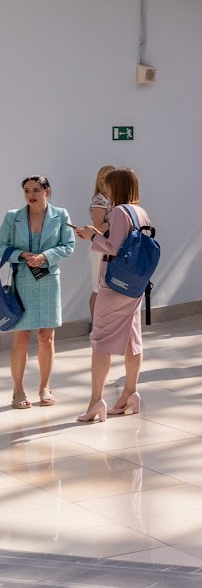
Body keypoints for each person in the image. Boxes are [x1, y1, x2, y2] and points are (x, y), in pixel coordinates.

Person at [73, 168, 147, 422]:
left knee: (101, 340)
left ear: (117, 187)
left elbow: (113, 247)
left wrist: (92, 235)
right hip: (135, 285)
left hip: (114, 285)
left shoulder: (118, 211)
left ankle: (96, 402)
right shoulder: (140, 212)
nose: (107, 190)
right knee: (132, 340)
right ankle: (131, 393)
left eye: (110, 185)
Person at [3, 176, 74, 408]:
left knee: (46, 337)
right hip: (22, 280)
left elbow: (68, 245)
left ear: (47, 191)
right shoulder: (13, 217)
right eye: (26, 190)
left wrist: (45, 256)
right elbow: (1, 245)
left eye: (36, 190)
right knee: (21, 338)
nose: (31, 194)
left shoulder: (61, 215)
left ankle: (45, 388)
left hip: (48, 281)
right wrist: (22, 255)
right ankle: (18, 391)